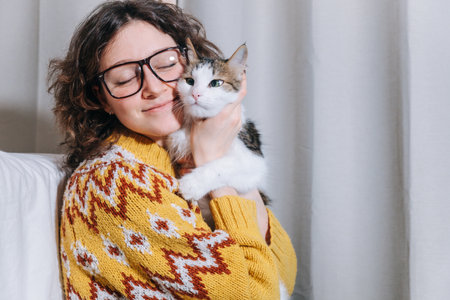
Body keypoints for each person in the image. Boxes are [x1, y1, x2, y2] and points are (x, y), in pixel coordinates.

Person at [48, 0, 297, 299]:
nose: (153, 87)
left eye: (166, 64)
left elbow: (285, 270)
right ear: (102, 99)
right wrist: (212, 162)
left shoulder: (180, 151)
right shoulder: (111, 182)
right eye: (125, 78)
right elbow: (259, 294)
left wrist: (219, 161)